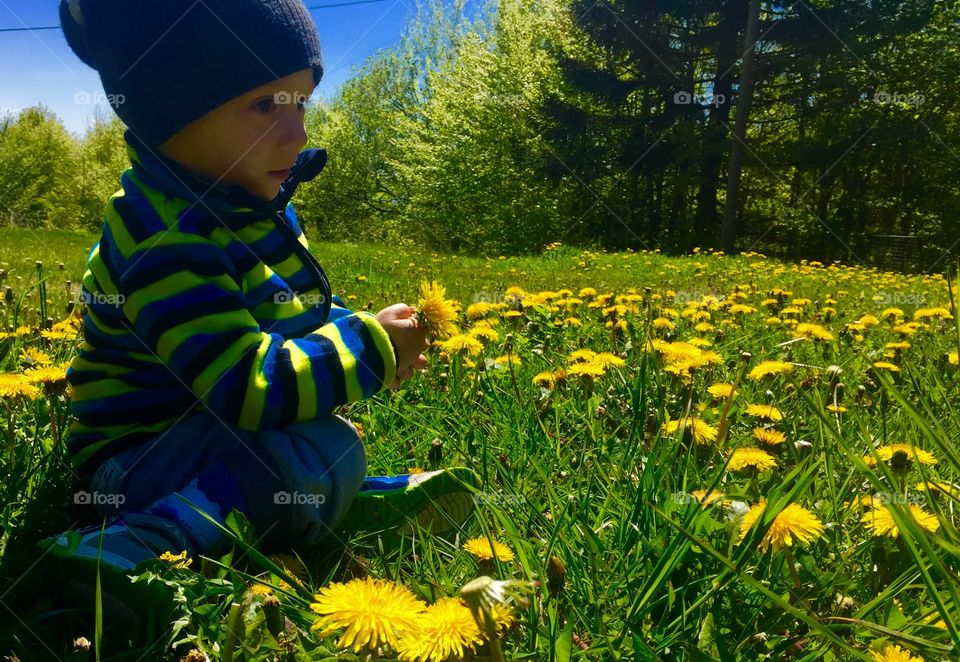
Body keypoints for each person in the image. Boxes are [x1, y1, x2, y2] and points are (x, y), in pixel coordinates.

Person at [45, 0, 479, 584]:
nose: (297, 133)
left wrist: (359, 330)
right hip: (139, 454)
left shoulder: (240, 202)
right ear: (170, 110)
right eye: (264, 104)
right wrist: (368, 351)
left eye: (301, 103)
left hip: (206, 430)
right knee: (321, 451)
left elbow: (287, 314)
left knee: (326, 447)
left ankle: (322, 499)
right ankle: (146, 542)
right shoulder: (167, 239)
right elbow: (244, 385)